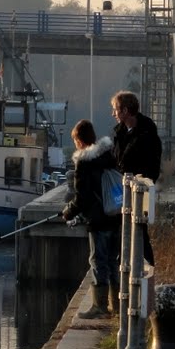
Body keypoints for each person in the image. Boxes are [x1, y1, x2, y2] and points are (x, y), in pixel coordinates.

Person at [62, 119, 121, 319]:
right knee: (113, 262)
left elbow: (82, 198)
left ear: (79, 140)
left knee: (97, 261)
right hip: (115, 214)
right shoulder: (109, 155)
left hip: (98, 220)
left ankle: (100, 306)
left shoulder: (84, 163)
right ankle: (118, 305)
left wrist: (68, 212)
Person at [110, 90, 162, 266]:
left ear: (125, 111)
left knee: (139, 230)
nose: (113, 114)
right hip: (121, 189)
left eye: (115, 110)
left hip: (139, 190)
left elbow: (152, 162)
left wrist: (145, 182)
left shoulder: (147, 131)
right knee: (121, 228)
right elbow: (116, 159)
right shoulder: (119, 132)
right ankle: (124, 265)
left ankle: (145, 269)